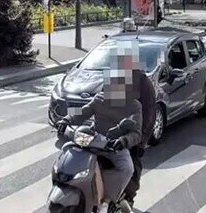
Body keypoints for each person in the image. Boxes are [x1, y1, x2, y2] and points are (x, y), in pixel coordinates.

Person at [56, 72, 141, 212]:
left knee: (127, 168)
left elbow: (136, 133)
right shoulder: (99, 99)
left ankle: (105, 200)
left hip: (114, 145)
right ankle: (64, 184)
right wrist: (67, 119)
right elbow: (82, 112)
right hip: (93, 139)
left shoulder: (134, 106)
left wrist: (124, 140)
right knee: (66, 149)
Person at [117, 50, 156, 209]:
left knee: (133, 166)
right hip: (116, 130)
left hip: (135, 134)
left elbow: (149, 112)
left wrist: (142, 140)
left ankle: (128, 200)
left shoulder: (143, 82)